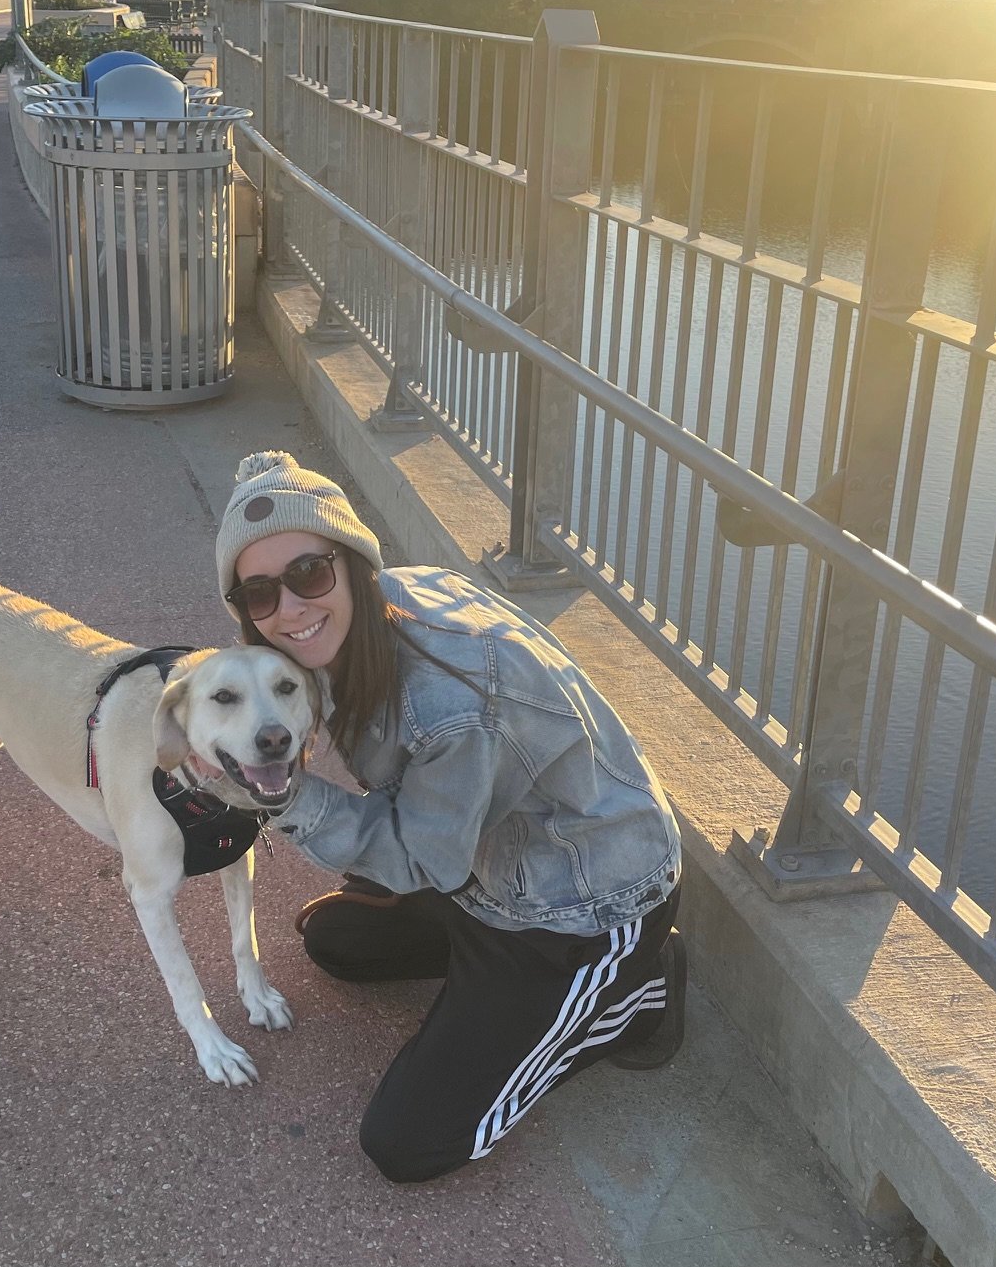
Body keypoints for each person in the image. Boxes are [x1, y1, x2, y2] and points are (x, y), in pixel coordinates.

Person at [215, 451, 686, 1184]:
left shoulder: (447, 704)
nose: (291, 610)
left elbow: (420, 862)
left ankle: (635, 990)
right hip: (487, 864)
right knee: (335, 943)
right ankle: (503, 992)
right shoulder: (391, 603)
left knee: (409, 1143)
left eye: (308, 574)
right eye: (259, 594)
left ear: (351, 562)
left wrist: (277, 794)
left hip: (581, 905)